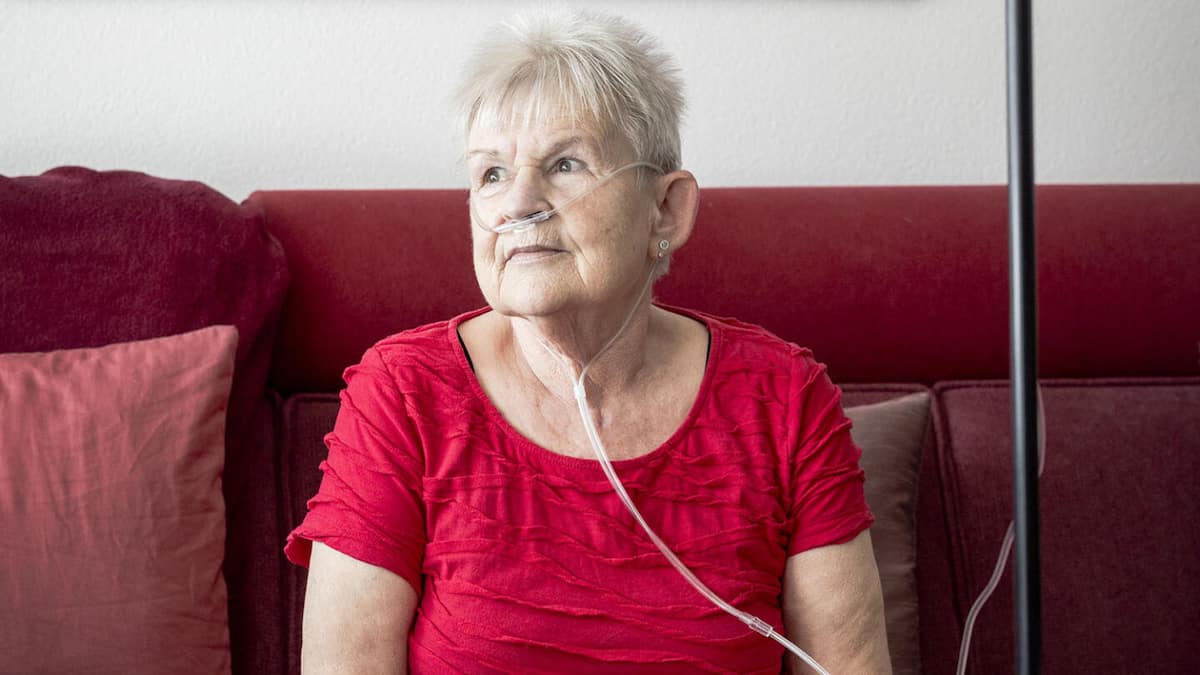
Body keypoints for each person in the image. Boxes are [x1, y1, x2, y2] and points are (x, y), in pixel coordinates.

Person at [285, 9, 891, 674]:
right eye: (491, 174)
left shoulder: (785, 400)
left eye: (565, 164)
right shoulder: (402, 393)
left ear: (666, 210)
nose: (518, 203)